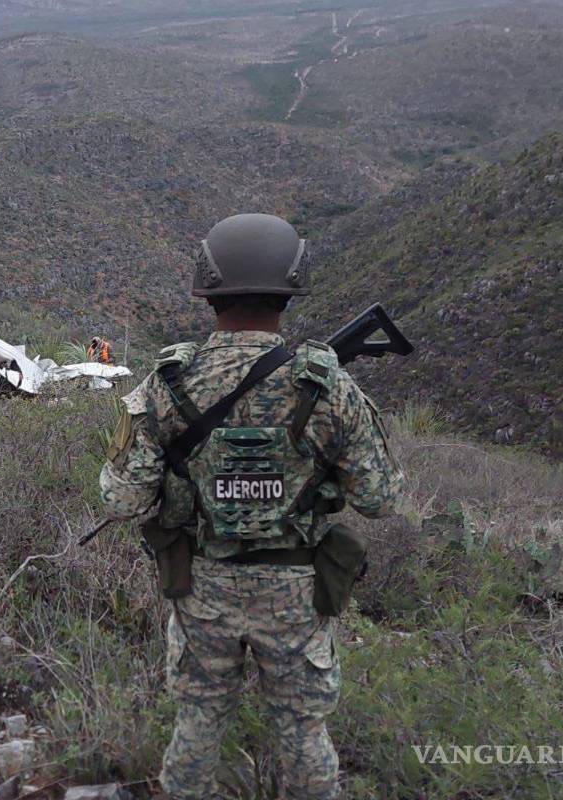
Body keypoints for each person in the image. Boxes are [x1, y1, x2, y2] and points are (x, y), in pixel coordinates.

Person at [99, 213, 404, 800]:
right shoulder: (327, 385)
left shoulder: (169, 384)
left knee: (198, 722)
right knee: (302, 730)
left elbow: (121, 497)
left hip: (202, 587)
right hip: (295, 593)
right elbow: (381, 499)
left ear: (208, 287)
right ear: (292, 286)